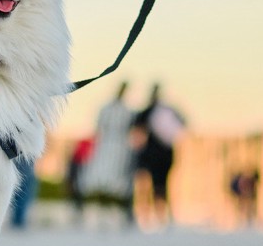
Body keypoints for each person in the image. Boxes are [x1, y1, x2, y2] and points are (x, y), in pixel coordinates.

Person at [79, 81, 136, 222]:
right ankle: (98, 209)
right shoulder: (106, 108)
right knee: (100, 178)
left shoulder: (128, 111)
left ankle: (115, 210)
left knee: (116, 181)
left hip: (119, 148)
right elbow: (99, 127)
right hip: (106, 146)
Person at [132, 83, 185, 230]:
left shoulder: (152, 112)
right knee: (158, 186)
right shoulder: (164, 111)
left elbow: (137, 131)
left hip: (156, 155)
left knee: (156, 186)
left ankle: (156, 216)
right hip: (160, 154)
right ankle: (155, 216)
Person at [10, 158, 37, 229]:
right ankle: (19, 219)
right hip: (25, 164)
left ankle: (17, 219)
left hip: (17, 163)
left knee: (19, 193)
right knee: (24, 192)